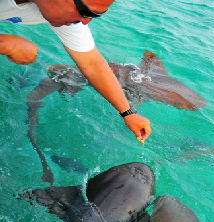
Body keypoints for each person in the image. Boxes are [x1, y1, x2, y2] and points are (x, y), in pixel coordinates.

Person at [0, 0, 152, 143]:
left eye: (96, 15)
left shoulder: (69, 17)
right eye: (85, 11)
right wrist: (5, 43)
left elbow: (92, 64)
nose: (86, 21)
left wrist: (129, 114)